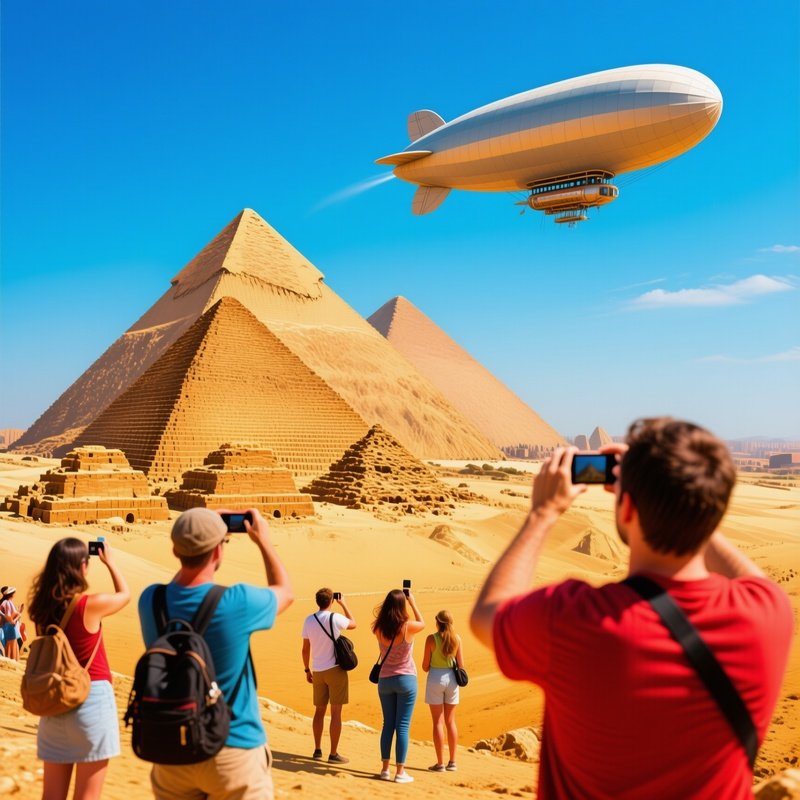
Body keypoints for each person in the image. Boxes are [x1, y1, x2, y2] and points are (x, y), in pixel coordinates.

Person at [471, 417, 793, 799]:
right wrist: (691, 505)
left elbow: (488, 614)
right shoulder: (767, 615)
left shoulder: (577, 619)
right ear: (714, 511)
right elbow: (754, 582)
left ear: (626, 510)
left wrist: (543, 513)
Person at [138, 507, 293, 800]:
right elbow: (285, 591)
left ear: (175, 550)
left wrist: (196, 529)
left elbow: (179, 580)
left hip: (173, 750)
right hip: (233, 753)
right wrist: (264, 541)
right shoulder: (238, 602)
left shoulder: (150, 600)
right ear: (218, 552)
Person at [28, 538, 130, 800]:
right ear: (82, 567)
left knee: (52, 796)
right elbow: (125, 596)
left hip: (54, 702)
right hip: (91, 700)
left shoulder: (40, 610)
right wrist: (111, 563)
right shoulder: (89, 606)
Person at [372, 588, 425, 783]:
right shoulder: (407, 627)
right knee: (402, 726)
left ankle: (385, 769)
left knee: (388, 725)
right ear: (401, 605)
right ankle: (400, 772)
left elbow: (383, 623)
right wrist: (412, 602)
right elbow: (423, 623)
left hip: (385, 680)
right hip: (405, 679)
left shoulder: (377, 628)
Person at [301, 587, 357, 763]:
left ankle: (317, 750)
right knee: (336, 713)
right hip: (335, 670)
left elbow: (305, 649)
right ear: (331, 601)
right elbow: (353, 623)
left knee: (319, 711)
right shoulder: (335, 618)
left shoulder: (309, 620)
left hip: (317, 670)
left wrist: (306, 670)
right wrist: (344, 604)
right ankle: (333, 753)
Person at [421, 609, 464, 772]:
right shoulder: (457, 638)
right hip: (452, 680)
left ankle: (440, 764)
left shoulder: (431, 639)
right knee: (450, 721)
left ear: (438, 622)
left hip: (435, 679)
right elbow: (462, 665)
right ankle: (452, 762)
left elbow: (425, 666)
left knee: (437, 722)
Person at [0, 586, 23, 661]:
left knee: (12, 646)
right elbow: (9, 617)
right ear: (11, 594)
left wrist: (19, 612)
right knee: (11, 647)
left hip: (9, 627)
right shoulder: (7, 603)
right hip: (9, 628)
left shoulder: (7, 602)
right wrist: (17, 617)